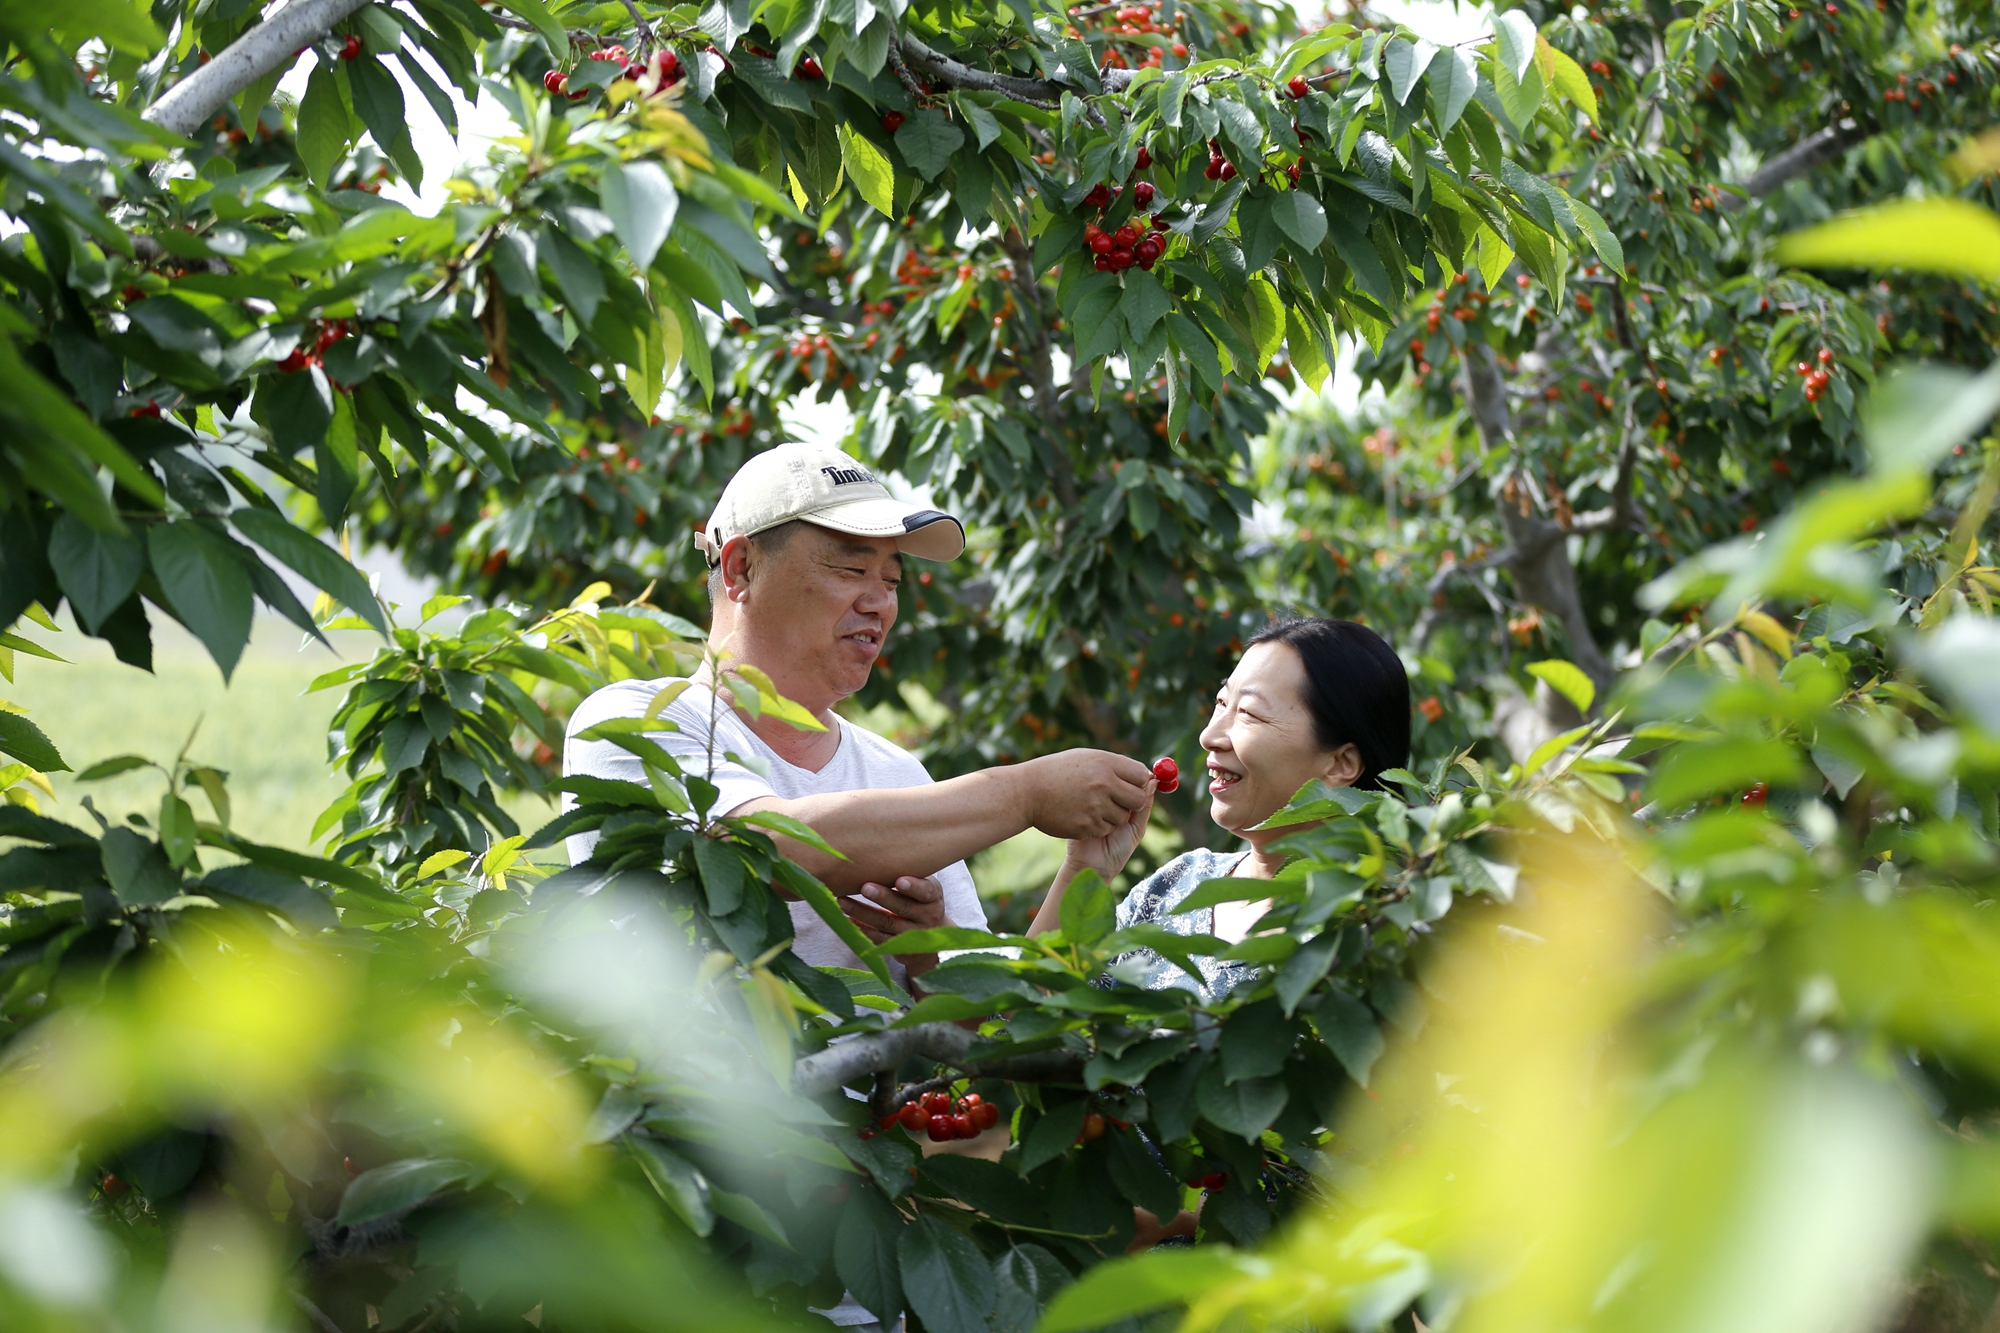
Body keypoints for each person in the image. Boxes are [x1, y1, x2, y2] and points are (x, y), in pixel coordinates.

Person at [562, 442, 1157, 986]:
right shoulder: (630, 722)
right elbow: (761, 849)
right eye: (850, 570)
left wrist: (933, 951)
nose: (879, 604)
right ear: (742, 568)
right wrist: (1025, 794)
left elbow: (991, 1034)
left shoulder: (897, 776)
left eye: (892, 580)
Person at [1029, 616, 1412, 1001]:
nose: (1209, 736)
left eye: (1248, 713)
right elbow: (1015, 1028)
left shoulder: (1385, 918)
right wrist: (1085, 872)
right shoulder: (1176, 888)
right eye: (1221, 703)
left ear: (1341, 763)